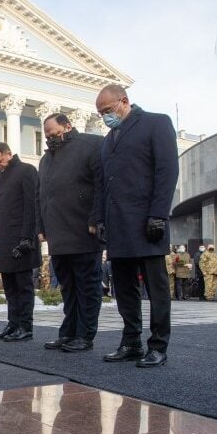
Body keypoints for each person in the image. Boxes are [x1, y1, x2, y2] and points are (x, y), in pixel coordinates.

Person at [93, 84, 177, 367]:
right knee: (125, 288)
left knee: (156, 288)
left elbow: (167, 171)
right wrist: (100, 219)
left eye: (107, 110)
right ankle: (131, 341)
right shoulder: (108, 139)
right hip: (118, 225)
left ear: (124, 101)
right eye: (101, 114)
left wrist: (159, 214)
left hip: (146, 222)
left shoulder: (156, 123)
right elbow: (103, 184)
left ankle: (158, 345)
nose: (105, 117)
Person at [35, 113, 105, 353]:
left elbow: (100, 185)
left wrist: (96, 218)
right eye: (47, 136)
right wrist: (41, 227)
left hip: (82, 231)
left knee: (87, 286)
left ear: (68, 126)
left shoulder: (90, 145)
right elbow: (41, 195)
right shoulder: (46, 160)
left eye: (54, 134)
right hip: (57, 234)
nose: (51, 139)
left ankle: (85, 335)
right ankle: (68, 332)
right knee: (67, 287)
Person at [0, 142, 41, 343]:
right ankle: (13, 323)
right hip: (4, 240)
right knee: (9, 286)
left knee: (23, 286)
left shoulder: (27, 171)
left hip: (21, 241)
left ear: (9, 154)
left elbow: (32, 206)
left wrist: (27, 238)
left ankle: (25, 326)